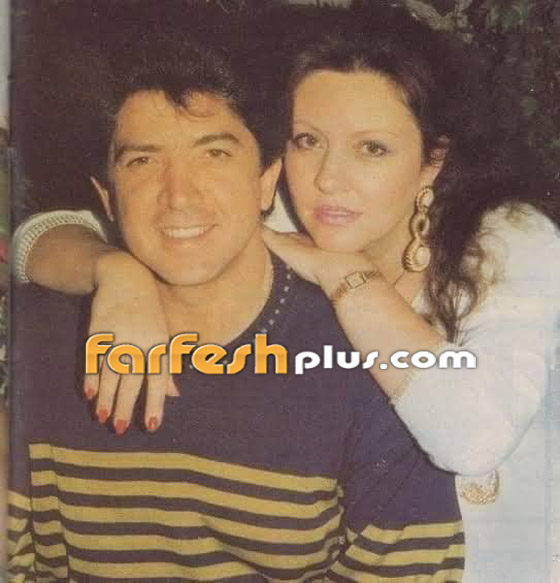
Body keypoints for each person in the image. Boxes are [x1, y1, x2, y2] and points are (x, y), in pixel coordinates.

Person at [12, 3, 559, 581]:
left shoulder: (508, 242)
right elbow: (44, 235)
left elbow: (472, 438)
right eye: (307, 140)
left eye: (371, 148)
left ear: (432, 160)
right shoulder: (278, 209)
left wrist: (345, 276)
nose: (328, 177)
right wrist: (118, 275)